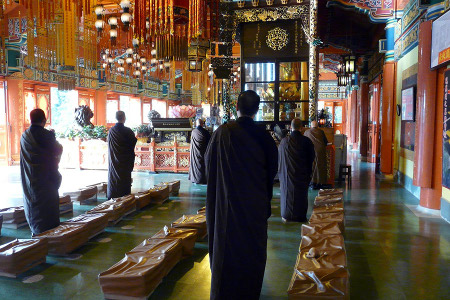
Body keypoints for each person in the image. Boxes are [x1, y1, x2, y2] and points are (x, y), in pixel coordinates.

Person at [205, 90, 278, 300]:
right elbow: (272, 170)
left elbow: (209, 163)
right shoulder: (264, 137)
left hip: (227, 205)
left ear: (236, 106)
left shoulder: (223, 132)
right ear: (257, 110)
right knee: (251, 250)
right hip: (254, 205)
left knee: (227, 248)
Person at [20, 108, 63, 235]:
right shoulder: (47, 135)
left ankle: (37, 229)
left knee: (34, 202)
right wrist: (53, 137)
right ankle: (50, 229)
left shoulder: (25, 135)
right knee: (48, 203)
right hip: (47, 176)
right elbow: (58, 150)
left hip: (30, 177)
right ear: (44, 120)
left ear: (30, 120)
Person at [278, 119, 315, 222]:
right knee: (301, 196)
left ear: (290, 127)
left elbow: (280, 159)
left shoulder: (284, 142)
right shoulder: (306, 141)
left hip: (287, 174)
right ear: (301, 128)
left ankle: (286, 215)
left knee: (287, 195)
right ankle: (300, 216)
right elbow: (311, 158)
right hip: (302, 175)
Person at [107, 111, 137, 199]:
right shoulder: (128, 131)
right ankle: (125, 197)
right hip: (125, 161)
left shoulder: (111, 131)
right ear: (124, 118)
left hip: (114, 160)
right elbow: (132, 143)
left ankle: (113, 195)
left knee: (114, 177)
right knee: (124, 178)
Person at [304, 120, 329, 189]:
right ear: (317, 126)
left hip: (310, 152)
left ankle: (312, 183)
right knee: (321, 167)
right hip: (321, 152)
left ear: (311, 126)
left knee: (312, 167)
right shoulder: (321, 132)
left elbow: (304, 142)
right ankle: (321, 183)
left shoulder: (307, 132)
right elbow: (326, 142)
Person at [188, 119, 211, 184]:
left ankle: (194, 178)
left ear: (196, 124)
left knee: (195, 164)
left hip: (195, 153)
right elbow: (209, 142)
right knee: (202, 165)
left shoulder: (193, 132)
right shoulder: (205, 132)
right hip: (203, 152)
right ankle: (202, 179)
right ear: (202, 124)